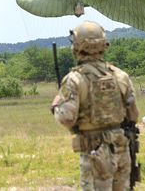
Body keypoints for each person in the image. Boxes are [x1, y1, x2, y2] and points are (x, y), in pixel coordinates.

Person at [51, 21, 140, 190]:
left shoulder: (74, 79)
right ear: (103, 45)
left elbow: (66, 118)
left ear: (77, 46)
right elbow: (133, 115)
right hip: (122, 149)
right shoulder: (119, 75)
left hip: (95, 153)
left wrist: (56, 106)